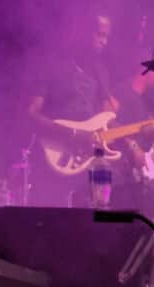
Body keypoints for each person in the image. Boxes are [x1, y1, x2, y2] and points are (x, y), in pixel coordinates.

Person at [24, 9, 119, 208]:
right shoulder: (53, 64)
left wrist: (133, 143)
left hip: (85, 162)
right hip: (53, 158)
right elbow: (30, 115)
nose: (104, 41)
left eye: (106, 37)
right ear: (82, 32)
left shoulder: (101, 71)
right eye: (99, 34)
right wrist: (73, 134)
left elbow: (106, 118)